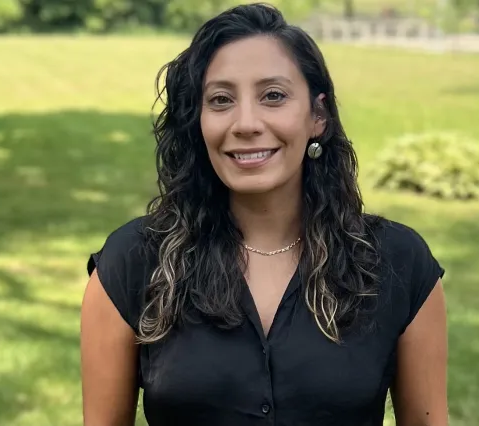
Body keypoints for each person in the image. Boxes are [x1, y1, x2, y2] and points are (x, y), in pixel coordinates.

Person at [80, 3, 448, 426]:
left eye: (273, 96)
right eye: (221, 100)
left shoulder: (398, 264)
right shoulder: (132, 263)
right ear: (197, 121)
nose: (246, 123)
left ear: (318, 116)